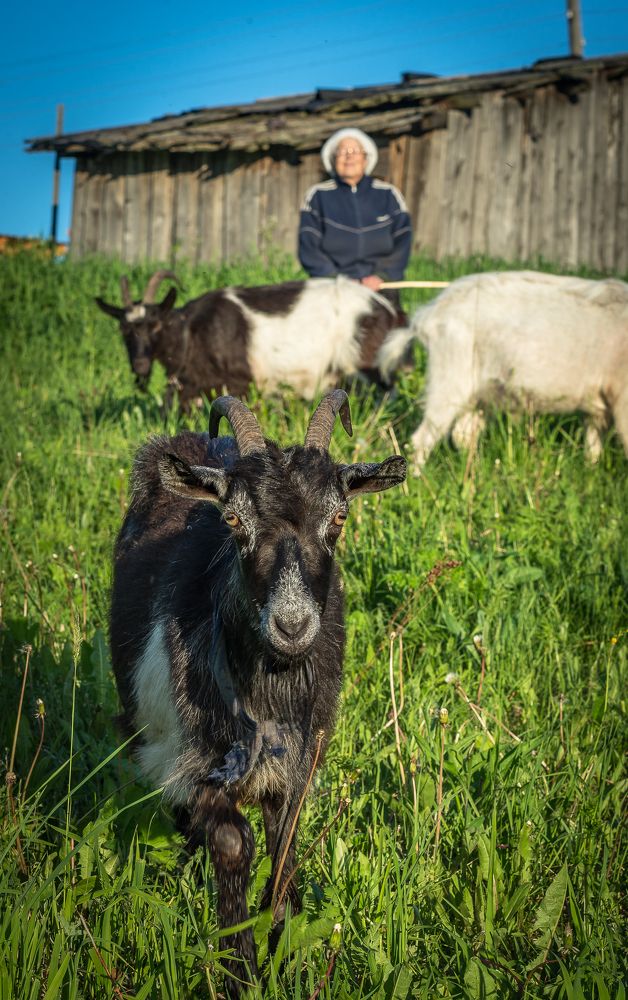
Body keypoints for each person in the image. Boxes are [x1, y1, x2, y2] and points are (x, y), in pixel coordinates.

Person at [298, 127, 412, 296]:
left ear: (366, 159)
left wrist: (382, 277)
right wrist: (336, 280)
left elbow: (403, 242)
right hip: (333, 289)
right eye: (342, 151)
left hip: (380, 288)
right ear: (333, 160)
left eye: (355, 151)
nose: (349, 156)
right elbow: (309, 247)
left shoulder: (389, 195)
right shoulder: (318, 196)